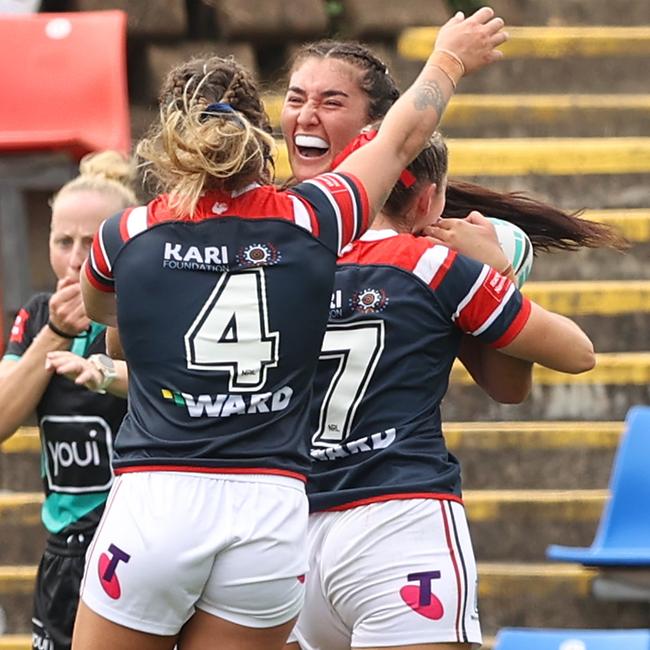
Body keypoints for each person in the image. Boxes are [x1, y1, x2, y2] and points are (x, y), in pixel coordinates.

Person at [72, 9, 508, 650]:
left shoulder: (129, 234)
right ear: (260, 136)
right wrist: (448, 58)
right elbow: (404, 136)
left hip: (158, 498)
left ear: (167, 139)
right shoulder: (313, 218)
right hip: (271, 515)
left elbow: (105, 316)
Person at [285, 128, 595, 650]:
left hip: (287, 526)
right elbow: (578, 353)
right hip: (398, 519)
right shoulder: (435, 265)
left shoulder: (288, 259)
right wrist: (497, 269)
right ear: (428, 198)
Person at [280, 40, 627, 254]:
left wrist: (498, 274)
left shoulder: (448, 247)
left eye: (331, 103)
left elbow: (572, 354)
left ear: (386, 123)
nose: (307, 116)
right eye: (295, 99)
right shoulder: (267, 214)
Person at [0, 150, 136, 650]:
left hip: (129, 541)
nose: (77, 259)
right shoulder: (38, 316)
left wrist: (105, 373)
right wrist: (54, 334)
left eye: (92, 241)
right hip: (62, 549)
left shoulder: (144, 307)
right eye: (63, 241)